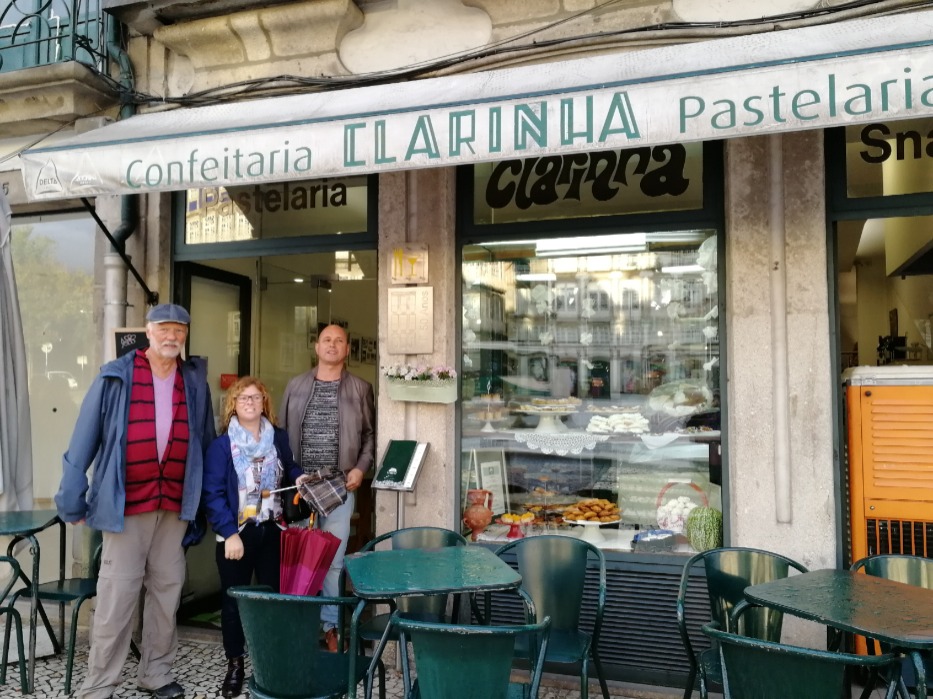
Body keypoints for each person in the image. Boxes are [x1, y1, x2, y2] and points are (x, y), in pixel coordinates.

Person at [55, 304, 215, 699]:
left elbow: (206, 442)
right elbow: (84, 437)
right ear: (148, 330)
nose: (172, 336)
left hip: (174, 505)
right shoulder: (116, 375)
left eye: (179, 330)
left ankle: (156, 673)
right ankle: (99, 685)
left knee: (167, 593)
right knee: (117, 597)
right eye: (164, 328)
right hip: (126, 504)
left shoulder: (194, 381)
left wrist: (209, 501)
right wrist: (72, 498)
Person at [202, 377, 303, 698]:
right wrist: (229, 533)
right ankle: (235, 665)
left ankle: (269, 663)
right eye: (243, 398)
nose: (250, 402)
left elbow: (290, 467)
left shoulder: (278, 438)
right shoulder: (222, 447)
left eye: (256, 397)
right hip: (237, 534)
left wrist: (300, 477)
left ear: (264, 403)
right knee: (234, 604)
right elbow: (212, 495)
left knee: (272, 601)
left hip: (272, 530)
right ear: (233, 404)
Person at [279, 324, 375, 652]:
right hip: (301, 486)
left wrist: (361, 468)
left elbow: (370, 436)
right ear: (317, 347)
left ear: (347, 349)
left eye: (339, 341)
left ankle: (331, 627)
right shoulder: (295, 386)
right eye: (326, 340)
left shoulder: (360, 388)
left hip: (339, 485)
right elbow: (281, 434)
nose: (332, 345)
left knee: (333, 560)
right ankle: (299, 629)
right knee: (299, 559)